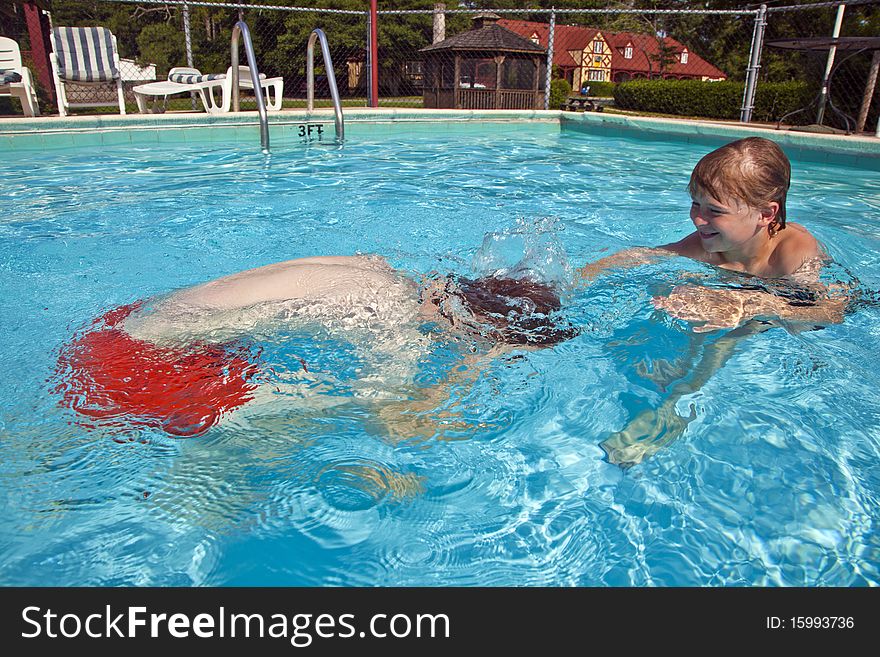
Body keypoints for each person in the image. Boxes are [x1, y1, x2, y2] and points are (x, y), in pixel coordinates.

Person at [55, 255, 577, 437]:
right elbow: (396, 425)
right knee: (274, 441)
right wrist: (474, 367)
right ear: (472, 326)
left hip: (124, 321)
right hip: (133, 368)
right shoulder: (392, 322)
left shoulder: (380, 271)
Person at [574, 136, 849, 467]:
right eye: (695, 204)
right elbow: (645, 257)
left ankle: (675, 406)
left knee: (724, 336)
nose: (698, 219)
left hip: (779, 306)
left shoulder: (793, 252)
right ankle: (670, 371)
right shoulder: (711, 246)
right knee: (672, 289)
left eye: (714, 211)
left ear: (765, 213)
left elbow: (831, 312)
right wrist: (570, 281)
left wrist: (750, 306)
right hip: (741, 296)